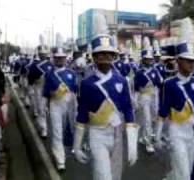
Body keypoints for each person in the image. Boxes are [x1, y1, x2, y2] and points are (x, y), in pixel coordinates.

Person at [73, 13, 139, 180]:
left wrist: (132, 143)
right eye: (101, 54)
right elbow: (82, 115)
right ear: (94, 57)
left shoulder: (121, 81)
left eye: (109, 54)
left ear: (114, 56)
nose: (105, 57)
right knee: (103, 175)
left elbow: (128, 110)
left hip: (116, 133)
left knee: (115, 175)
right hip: (96, 134)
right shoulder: (87, 83)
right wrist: (77, 145)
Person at [155, 17, 194, 180]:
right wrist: (158, 135)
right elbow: (162, 112)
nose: (191, 63)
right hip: (176, 132)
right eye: (187, 60)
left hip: (191, 132)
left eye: (193, 60)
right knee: (183, 173)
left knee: (185, 169)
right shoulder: (169, 84)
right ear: (178, 60)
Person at [43, 33, 78, 171]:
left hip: (69, 104)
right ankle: (60, 159)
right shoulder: (50, 74)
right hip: (55, 105)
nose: (59, 60)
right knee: (57, 132)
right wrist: (46, 106)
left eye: (62, 58)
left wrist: (76, 107)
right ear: (54, 58)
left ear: (65, 58)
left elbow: (75, 91)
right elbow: (46, 93)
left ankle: (67, 149)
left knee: (69, 129)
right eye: (57, 58)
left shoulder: (72, 73)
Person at [134, 36, 163, 153]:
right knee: (146, 119)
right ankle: (148, 142)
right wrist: (135, 101)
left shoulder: (155, 71)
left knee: (153, 118)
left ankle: (143, 136)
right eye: (147, 59)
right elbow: (136, 89)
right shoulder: (139, 73)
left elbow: (159, 83)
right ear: (143, 59)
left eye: (151, 59)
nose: (150, 60)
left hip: (154, 96)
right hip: (144, 97)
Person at [27, 35, 51, 137]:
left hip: (50, 89)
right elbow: (30, 78)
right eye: (42, 54)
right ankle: (44, 128)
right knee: (41, 109)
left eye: (44, 54)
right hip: (39, 88)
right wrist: (31, 84)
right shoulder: (34, 65)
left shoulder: (51, 64)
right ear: (39, 54)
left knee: (50, 110)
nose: (43, 55)